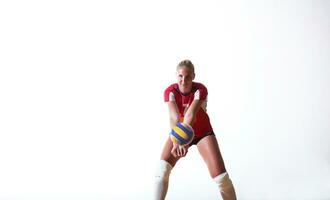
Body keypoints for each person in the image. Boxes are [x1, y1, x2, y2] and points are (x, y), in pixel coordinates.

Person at [153, 59, 237, 200]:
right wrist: (176, 142)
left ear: (193, 76)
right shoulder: (170, 91)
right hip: (179, 132)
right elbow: (174, 117)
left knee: (221, 178)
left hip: (202, 133)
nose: (183, 80)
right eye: (180, 76)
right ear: (176, 76)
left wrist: (183, 140)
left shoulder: (200, 89)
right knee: (161, 171)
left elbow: (190, 115)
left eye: (187, 76)